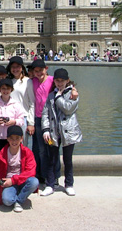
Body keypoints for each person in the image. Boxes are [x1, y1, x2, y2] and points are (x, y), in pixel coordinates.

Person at [41, 68, 82, 197]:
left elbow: (68, 109)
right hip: (53, 132)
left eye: (62, 81)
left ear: (67, 81)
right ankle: (50, 184)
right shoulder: (51, 95)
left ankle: (69, 184)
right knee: (51, 159)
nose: (59, 83)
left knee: (68, 160)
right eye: (57, 81)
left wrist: (58, 96)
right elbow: (45, 113)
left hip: (68, 132)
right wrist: (45, 129)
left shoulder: (72, 94)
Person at [0, 125, 38, 212]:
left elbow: (30, 172)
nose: (14, 141)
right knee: (7, 201)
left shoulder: (27, 152)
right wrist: (1, 185)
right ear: (7, 139)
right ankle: (18, 195)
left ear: (21, 139)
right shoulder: (1, 154)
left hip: (22, 180)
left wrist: (13, 180)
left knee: (34, 182)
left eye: (17, 138)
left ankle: (18, 201)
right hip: (9, 182)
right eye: (11, 138)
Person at [0, 78, 26, 158]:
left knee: (11, 157)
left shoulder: (16, 104)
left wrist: (13, 122)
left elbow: (21, 120)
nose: (5, 91)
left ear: (11, 89)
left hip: (11, 137)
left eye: (8, 89)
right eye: (3, 88)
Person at [6, 56, 35, 148]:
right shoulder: (8, 81)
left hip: (23, 118)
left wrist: (31, 123)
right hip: (10, 118)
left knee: (23, 146)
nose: (15, 69)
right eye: (13, 67)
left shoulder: (28, 82)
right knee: (11, 147)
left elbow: (32, 103)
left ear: (22, 68)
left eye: (17, 66)